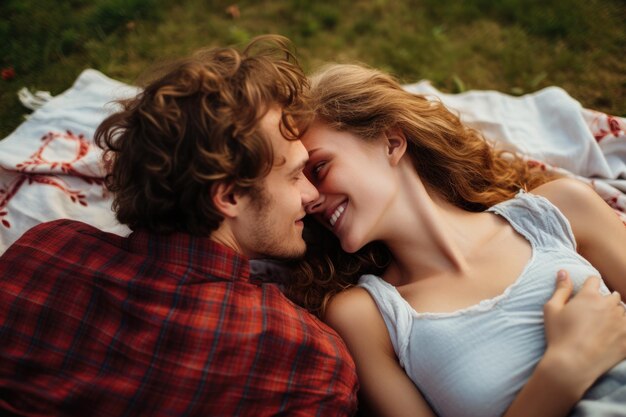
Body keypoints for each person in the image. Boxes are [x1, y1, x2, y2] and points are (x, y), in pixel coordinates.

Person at [0, 36, 358, 417]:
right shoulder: (305, 362)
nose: (310, 193)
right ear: (230, 197)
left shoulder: (43, 252)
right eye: (293, 175)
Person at [290, 63, 626, 417]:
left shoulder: (562, 211)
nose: (308, 197)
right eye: (297, 181)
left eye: (319, 169)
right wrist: (563, 371)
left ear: (391, 142)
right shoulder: (367, 316)